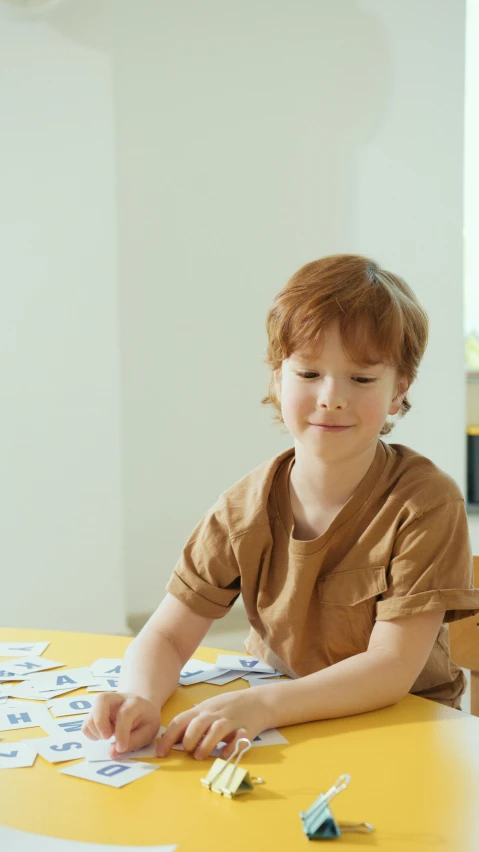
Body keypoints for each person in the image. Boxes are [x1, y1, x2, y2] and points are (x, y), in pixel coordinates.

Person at [82, 254, 479, 762]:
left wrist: (260, 705)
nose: (331, 397)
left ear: (399, 390)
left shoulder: (426, 502)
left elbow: (390, 668)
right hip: (284, 724)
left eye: (361, 379)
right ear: (277, 379)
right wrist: (140, 696)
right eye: (309, 372)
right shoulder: (243, 507)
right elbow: (165, 633)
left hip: (402, 729)